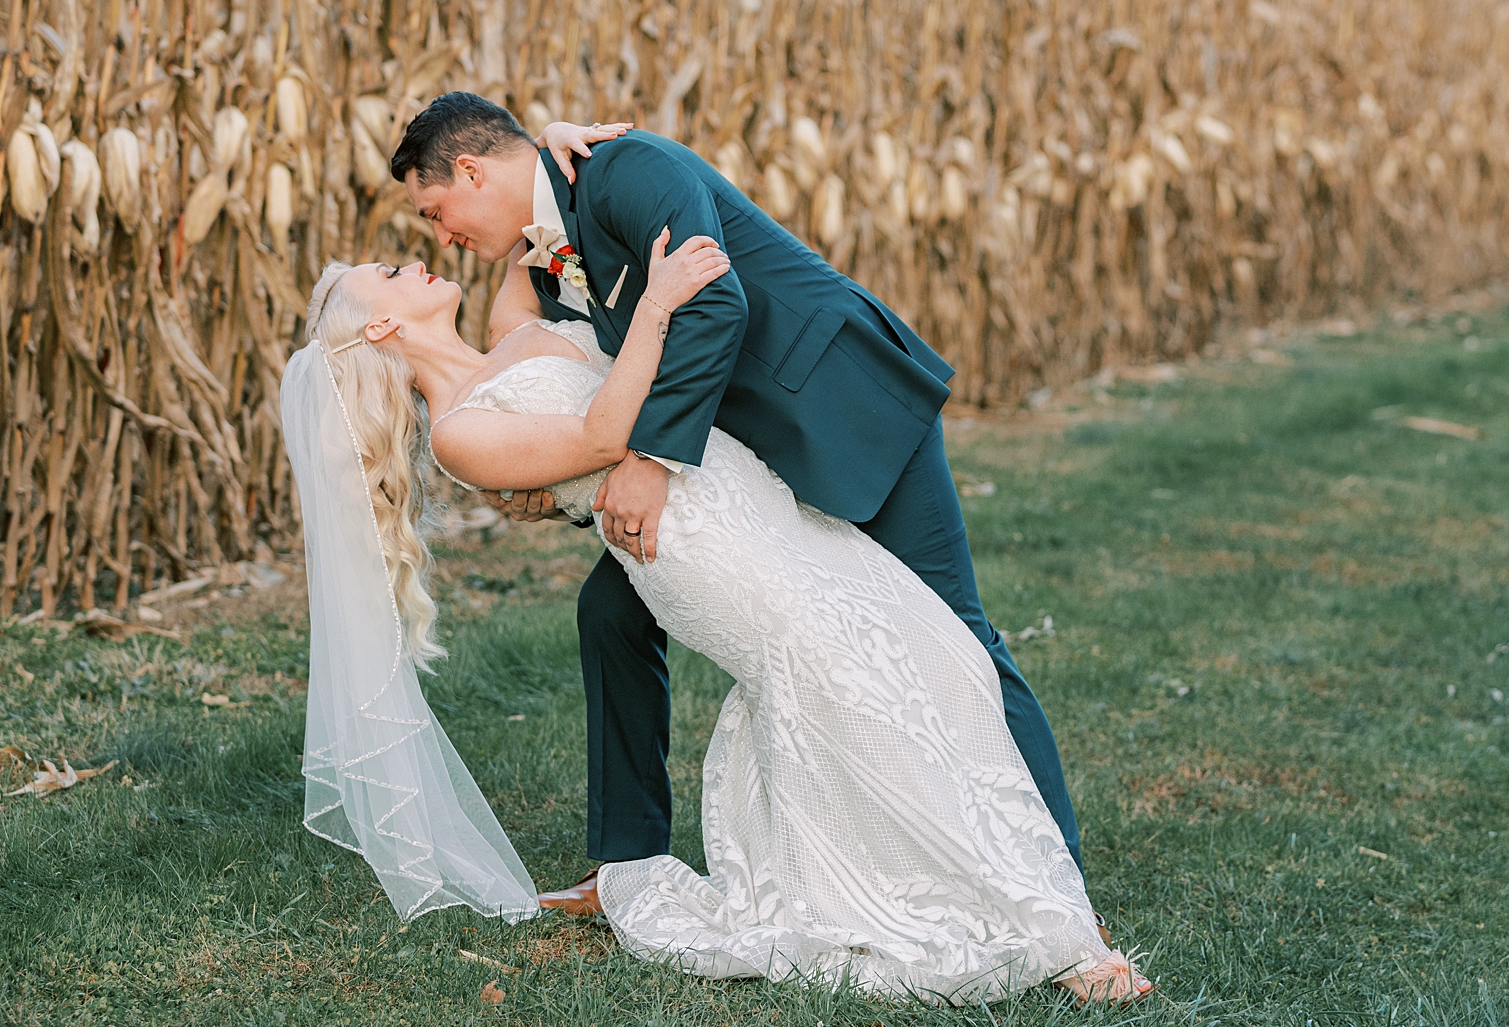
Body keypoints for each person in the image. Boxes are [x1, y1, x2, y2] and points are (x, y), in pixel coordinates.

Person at [285, 229, 1151, 1003]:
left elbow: (529, 239)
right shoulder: (460, 436)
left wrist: (558, 149)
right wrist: (657, 306)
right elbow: (599, 436)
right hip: (698, 549)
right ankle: (1044, 933)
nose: (421, 255)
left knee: (934, 658)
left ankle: (1023, 888)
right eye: (394, 271)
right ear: (383, 330)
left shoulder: (516, 332)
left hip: (757, 503)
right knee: (849, 686)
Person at [388, 94, 1086, 907]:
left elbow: (716, 301)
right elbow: (576, 375)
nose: (441, 237)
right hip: (740, 464)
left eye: (436, 211)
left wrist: (649, 460)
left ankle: (1056, 872)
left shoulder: (625, 169)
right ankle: (628, 867)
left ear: (472, 171)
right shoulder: (550, 235)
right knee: (611, 614)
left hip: (840, 412)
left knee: (957, 631)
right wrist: (545, 486)